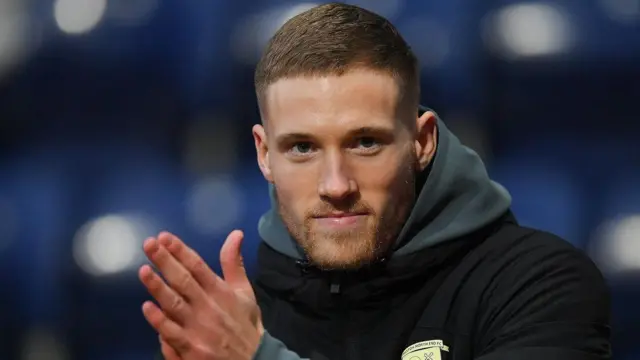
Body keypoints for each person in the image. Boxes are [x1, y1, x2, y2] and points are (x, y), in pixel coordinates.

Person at [138, 3, 611, 360]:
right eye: (302, 148)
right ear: (264, 155)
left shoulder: (538, 286)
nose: (336, 184)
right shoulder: (248, 320)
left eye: (365, 143)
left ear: (422, 141)